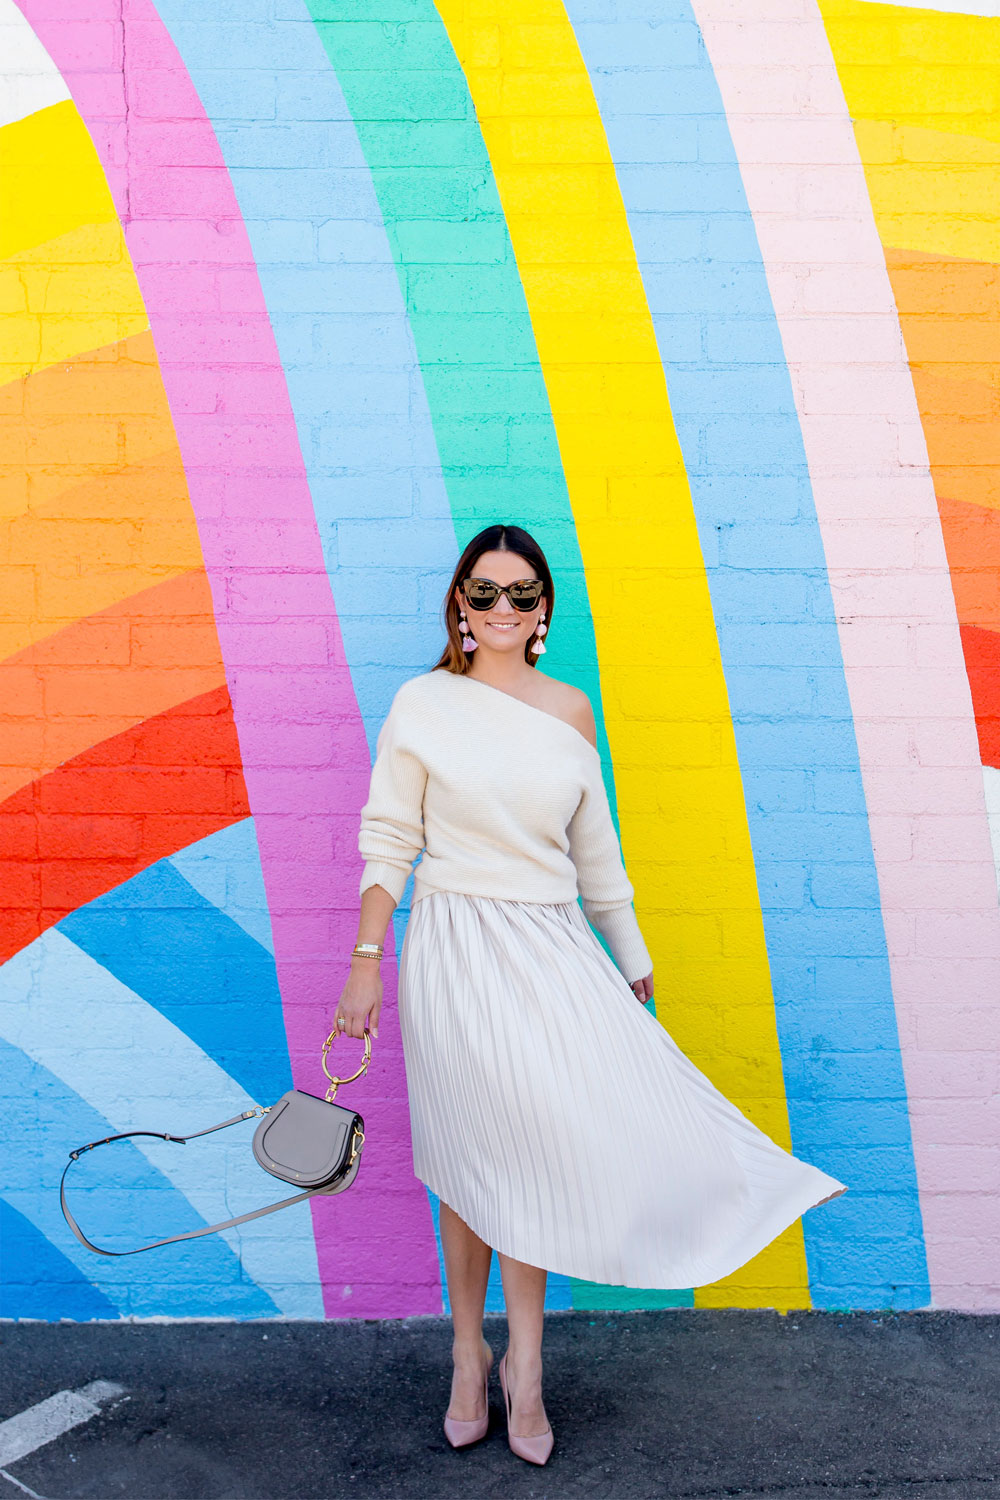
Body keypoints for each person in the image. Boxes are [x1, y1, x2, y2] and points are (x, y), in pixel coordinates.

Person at [331, 523, 847, 1467]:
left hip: (550, 945)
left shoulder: (568, 712)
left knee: (531, 1150)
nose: (500, 609)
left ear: (542, 613)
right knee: (465, 1155)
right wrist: (367, 957)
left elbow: (593, 849)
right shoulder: (422, 704)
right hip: (452, 947)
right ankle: (465, 1353)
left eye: (520, 595)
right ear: (459, 604)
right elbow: (388, 840)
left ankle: (524, 1366)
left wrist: (631, 948)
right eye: (483, 593)